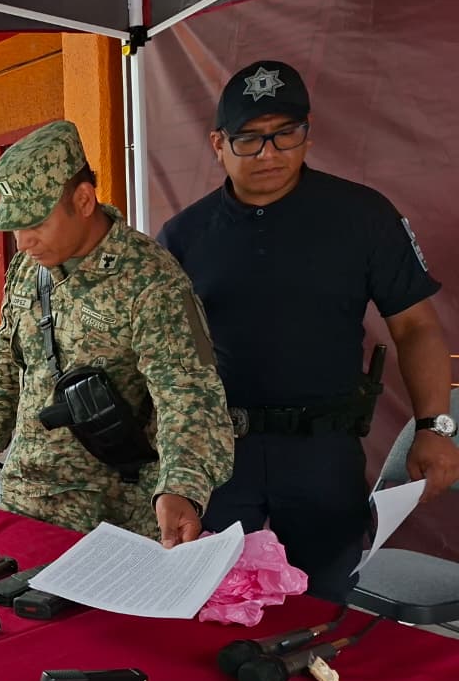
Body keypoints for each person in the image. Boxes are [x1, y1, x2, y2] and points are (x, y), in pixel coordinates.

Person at [158, 60, 459, 600]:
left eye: (285, 134)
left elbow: (415, 327)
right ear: (216, 144)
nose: (269, 153)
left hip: (324, 453)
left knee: (323, 606)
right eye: (248, 139)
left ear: (307, 134)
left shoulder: (363, 217)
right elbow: (160, 358)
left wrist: (433, 426)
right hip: (222, 454)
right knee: (215, 599)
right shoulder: (183, 237)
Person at [0, 121, 234, 545]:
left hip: (109, 515)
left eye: (36, 223)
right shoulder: (29, 270)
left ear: (83, 200)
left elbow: (187, 393)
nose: (23, 241)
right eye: (15, 225)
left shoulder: (150, 280)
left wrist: (181, 487)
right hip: (25, 496)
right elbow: (10, 356)